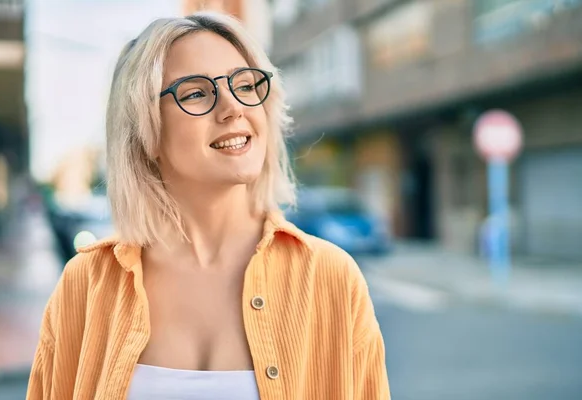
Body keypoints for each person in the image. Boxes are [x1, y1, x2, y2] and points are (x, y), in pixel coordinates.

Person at [27, 11, 390, 400]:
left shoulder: (332, 279)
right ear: (145, 129)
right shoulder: (85, 286)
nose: (233, 107)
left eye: (246, 85)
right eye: (196, 92)